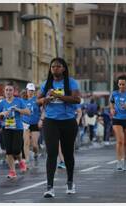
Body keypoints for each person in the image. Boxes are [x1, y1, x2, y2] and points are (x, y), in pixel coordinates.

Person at [37, 57, 80, 198]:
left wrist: (57, 95)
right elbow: (37, 100)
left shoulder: (71, 82)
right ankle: (49, 187)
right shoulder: (46, 84)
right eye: (53, 66)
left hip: (68, 121)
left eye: (58, 66)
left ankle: (70, 182)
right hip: (51, 122)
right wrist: (45, 100)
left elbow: (76, 99)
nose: (55, 68)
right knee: (52, 153)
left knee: (68, 154)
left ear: (63, 68)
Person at [0, 83, 30, 179]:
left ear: (13, 92)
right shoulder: (2, 103)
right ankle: (12, 171)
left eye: (10, 90)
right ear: (4, 92)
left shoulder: (19, 101)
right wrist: (2, 113)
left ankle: (21, 161)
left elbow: (28, 112)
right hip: (6, 128)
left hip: (17, 128)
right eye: (7, 90)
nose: (8, 92)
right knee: (8, 151)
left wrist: (18, 109)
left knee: (16, 150)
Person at [109, 75, 126, 172]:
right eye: (120, 84)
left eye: (123, 84)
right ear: (118, 84)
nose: (121, 86)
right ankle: (119, 161)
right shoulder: (114, 94)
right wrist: (112, 109)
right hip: (117, 119)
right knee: (120, 140)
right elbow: (111, 103)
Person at [22, 83, 42, 165]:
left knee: (34, 145)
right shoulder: (22, 100)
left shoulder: (37, 100)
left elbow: (44, 109)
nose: (31, 92)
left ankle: (36, 153)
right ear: (26, 90)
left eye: (32, 91)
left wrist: (41, 119)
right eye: (29, 90)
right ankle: (26, 159)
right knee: (26, 142)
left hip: (35, 124)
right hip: (25, 123)